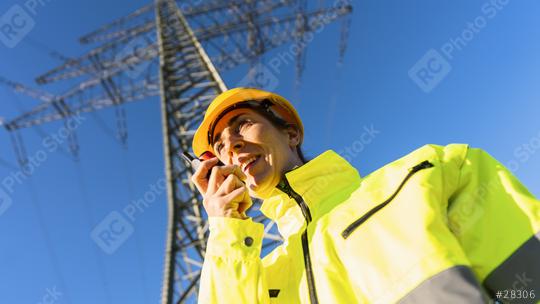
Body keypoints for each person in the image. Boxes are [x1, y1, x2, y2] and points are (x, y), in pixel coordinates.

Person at [190, 87, 540, 303]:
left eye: (242, 125)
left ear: (292, 134)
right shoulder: (260, 278)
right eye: (219, 146)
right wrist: (227, 230)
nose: (232, 146)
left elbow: (528, 284)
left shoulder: (428, 174)